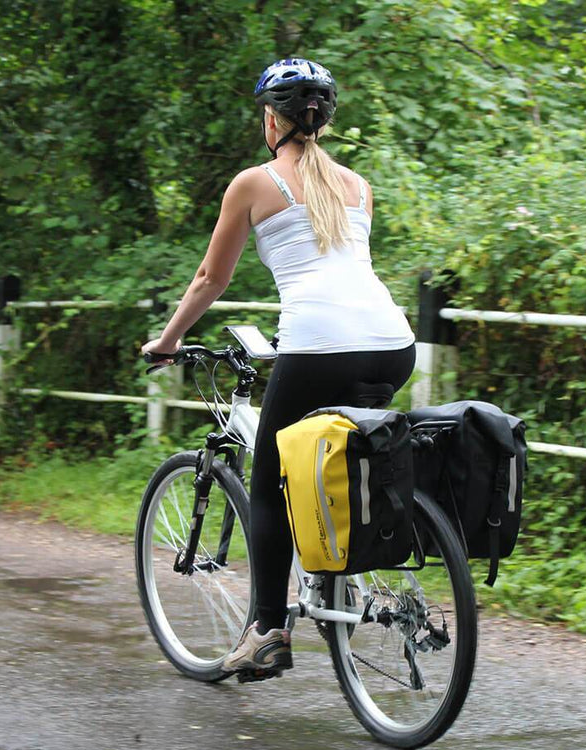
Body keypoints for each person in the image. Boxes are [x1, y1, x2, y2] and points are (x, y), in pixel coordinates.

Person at [141, 58, 415, 678]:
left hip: (318, 346)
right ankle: (350, 570)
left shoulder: (252, 184)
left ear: (272, 121)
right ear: (323, 121)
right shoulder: (358, 184)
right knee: (342, 457)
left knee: (270, 482)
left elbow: (212, 278)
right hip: (394, 344)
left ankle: (267, 630)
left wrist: (167, 340)